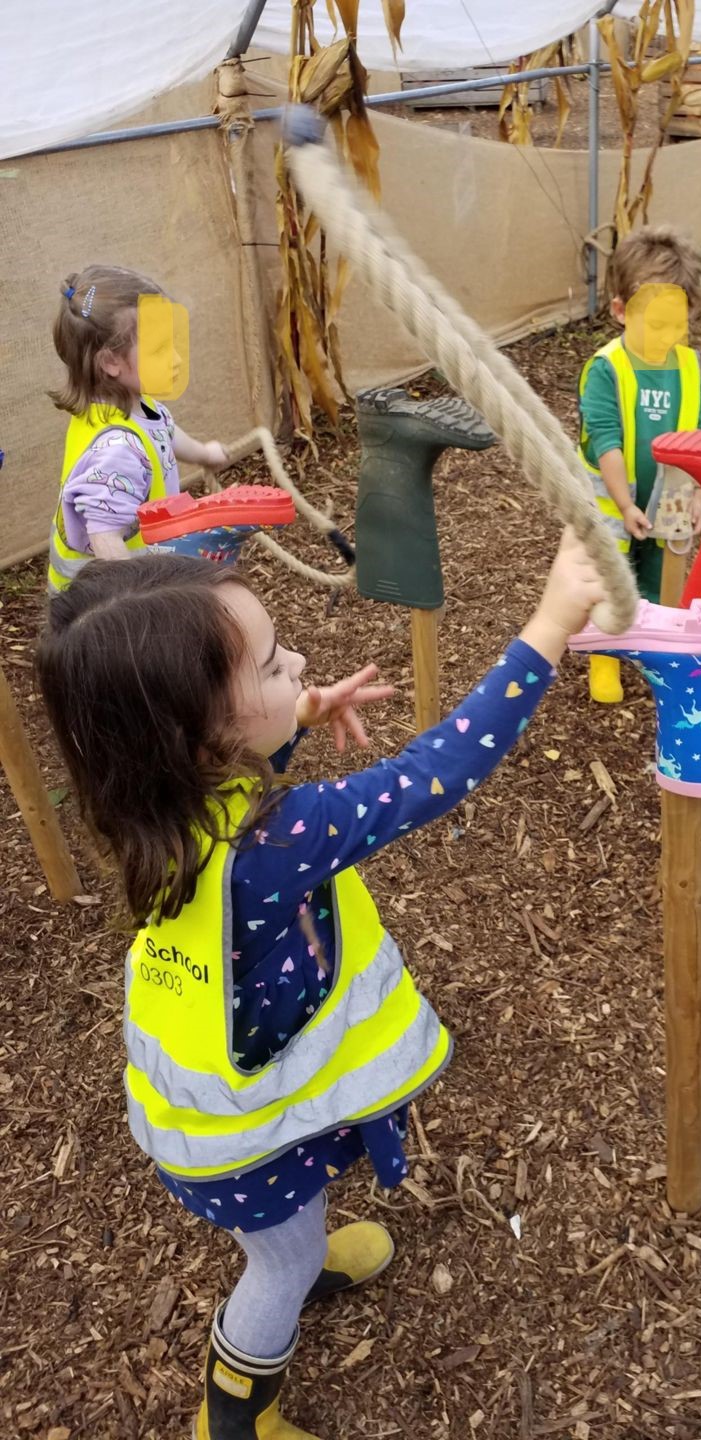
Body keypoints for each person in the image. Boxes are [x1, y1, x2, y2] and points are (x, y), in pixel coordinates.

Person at [36, 533, 606, 1439]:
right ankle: (235, 1412)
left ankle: (295, 1247)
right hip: (239, 1136)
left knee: (284, 1235)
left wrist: (292, 712)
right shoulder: (282, 839)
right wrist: (547, 628)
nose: (297, 660)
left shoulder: (147, 803)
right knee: (278, 1269)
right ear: (205, 735)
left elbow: (235, 776)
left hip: (211, 1112)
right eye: (271, 667)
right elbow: (434, 775)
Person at [577, 225, 701, 703]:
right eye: (656, 325)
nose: (668, 336)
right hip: (612, 501)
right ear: (620, 311)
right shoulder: (606, 368)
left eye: (678, 324)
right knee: (614, 576)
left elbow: (700, 433)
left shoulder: (688, 365)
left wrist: (696, 493)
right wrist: (623, 502)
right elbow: (607, 440)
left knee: (660, 575)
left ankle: (653, 649)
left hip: (671, 492)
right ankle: (606, 658)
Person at [47, 263, 227, 593]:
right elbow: (104, 536)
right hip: (100, 607)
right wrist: (139, 600)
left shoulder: (127, 407)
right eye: (159, 349)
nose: (175, 359)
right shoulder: (118, 448)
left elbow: (164, 433)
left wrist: (204, 454)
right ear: (110, 362)